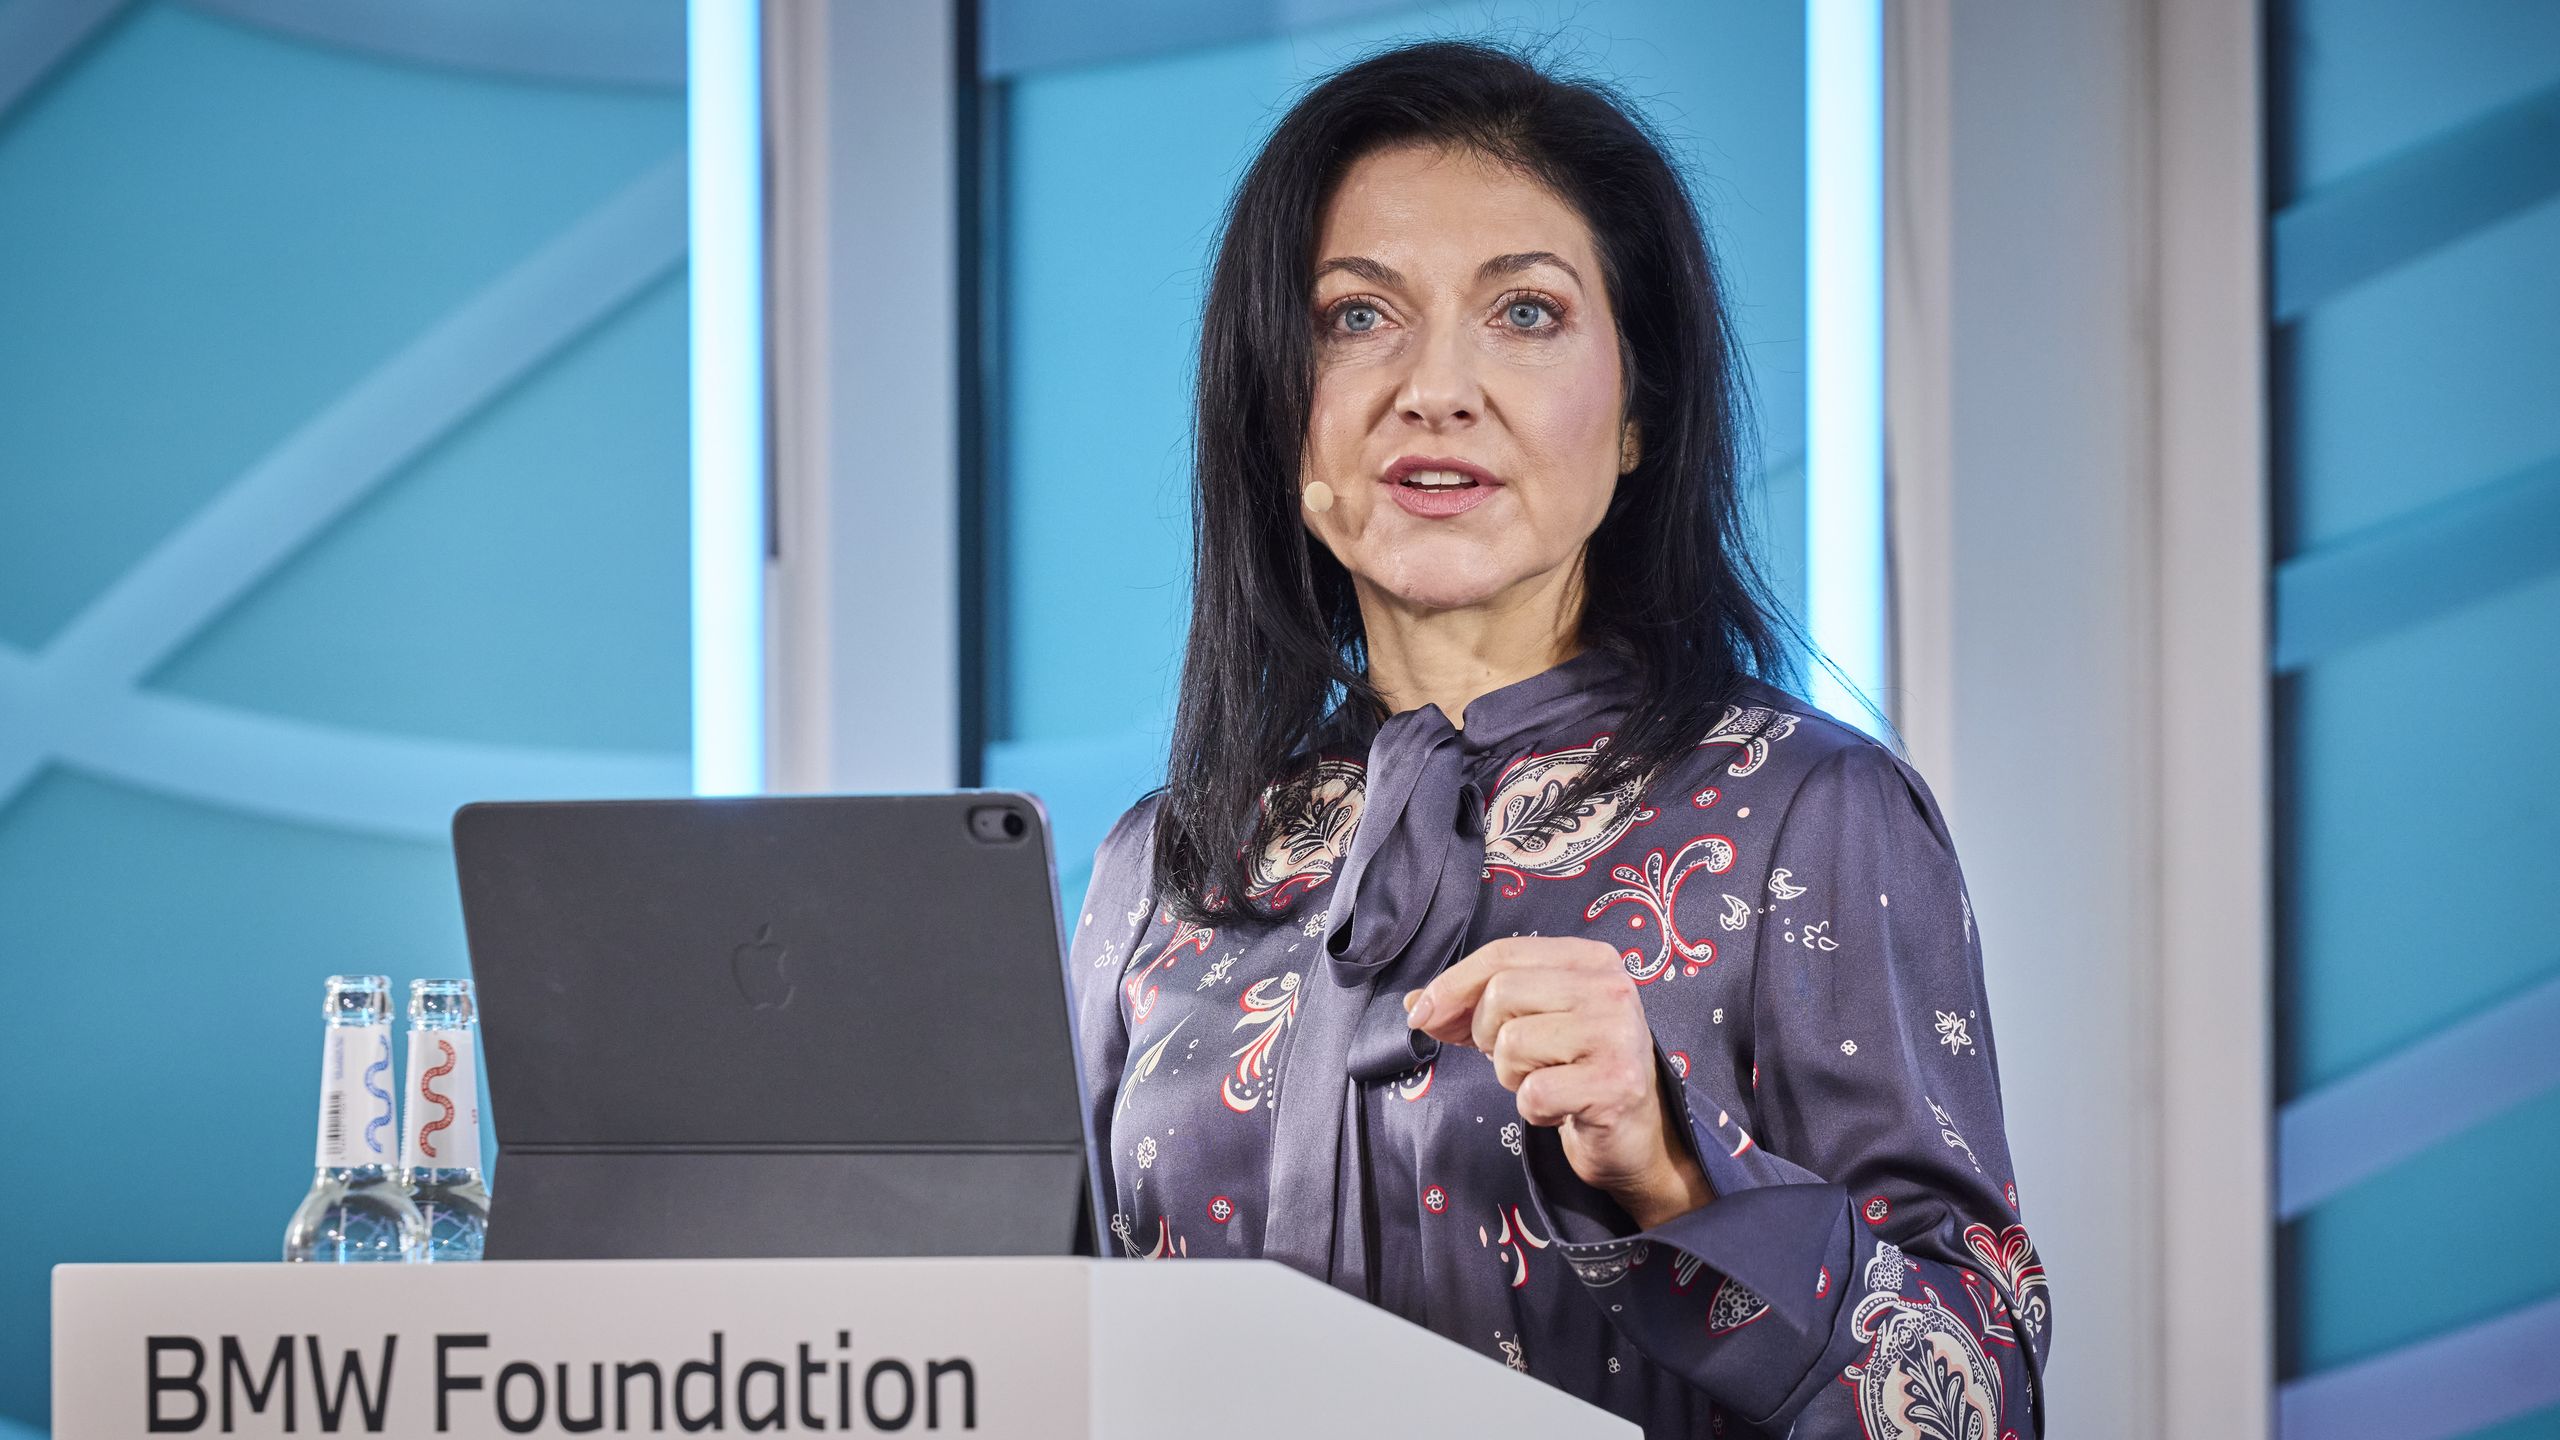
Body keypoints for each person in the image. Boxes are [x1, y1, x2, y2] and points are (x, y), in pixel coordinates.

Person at [1064, 40, 2050, 1439]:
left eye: (1525, 312)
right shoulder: (1165, 867)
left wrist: (1674, 1170)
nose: (1436, 388)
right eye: (1357, 316)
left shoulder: (1811, 810)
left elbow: (1979, 1401)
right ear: (1278, 411)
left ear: (1639, 412)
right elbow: (1040, 1353)